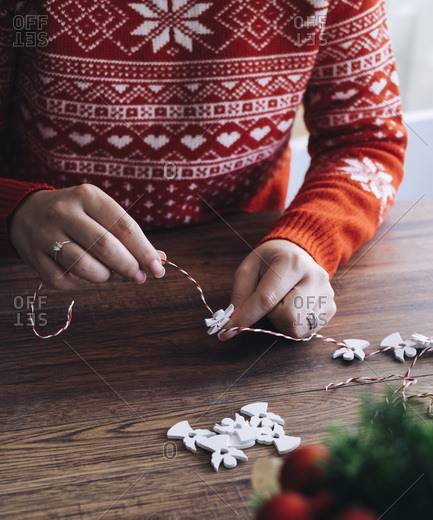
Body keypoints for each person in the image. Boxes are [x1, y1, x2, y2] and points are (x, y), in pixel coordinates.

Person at [0, 0, 407, 341]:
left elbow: (366, 142)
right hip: (32, 281)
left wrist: (308, 240)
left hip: (242, 266)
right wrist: (16, 208)